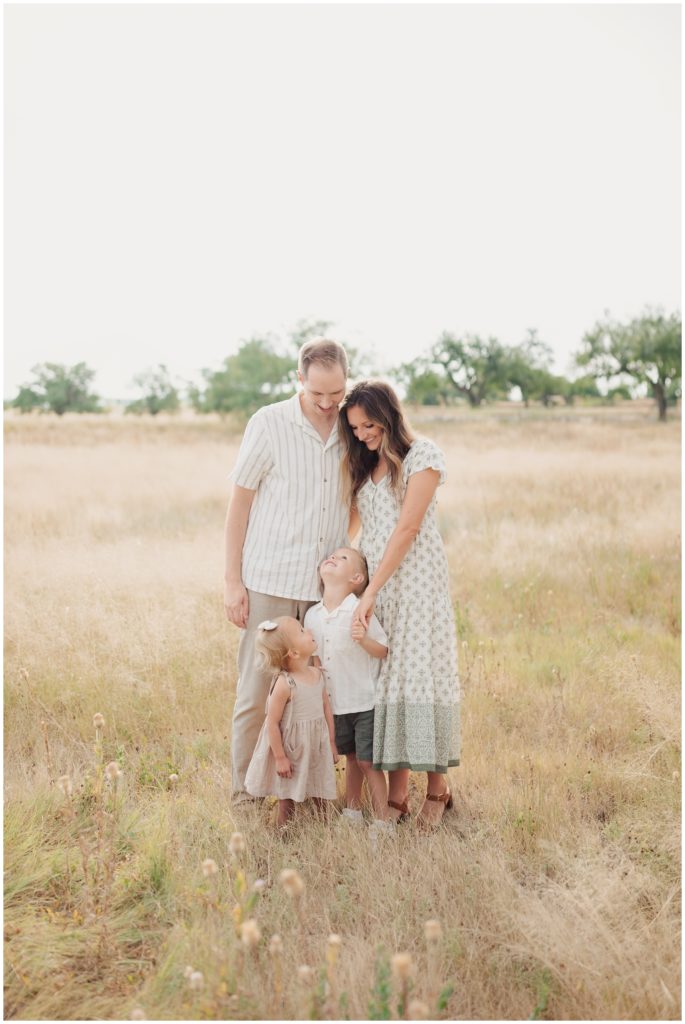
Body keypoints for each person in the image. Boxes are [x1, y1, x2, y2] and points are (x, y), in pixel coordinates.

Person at [224, 338, 349, 804]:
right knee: (257, 696)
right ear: (299, 379)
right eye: (318, 393)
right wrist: (232, 581)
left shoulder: (350, 427)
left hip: (323, 595)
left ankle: (305, 795)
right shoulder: (269, 423)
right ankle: (245, 795)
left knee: (316, 699)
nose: (326, 403)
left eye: (336, 393)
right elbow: (240, 503)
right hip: (270, 584)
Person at [338, 380, 460, 827]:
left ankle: (438, 789)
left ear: (389, 416)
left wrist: (369, 592)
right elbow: (354, 528)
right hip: (380, 591)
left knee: (420, 683)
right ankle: (397, 795)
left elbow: (406, 530)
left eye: (369, 424)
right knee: (390, 690)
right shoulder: (365, 467)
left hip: (417, 588)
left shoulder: (421, 455)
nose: (363, 434)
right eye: (355, 428)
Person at [304, 547, 391, 835]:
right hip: (335, 703)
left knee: (368, 761)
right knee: (351, 758)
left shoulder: (358, 609)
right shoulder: (313, 615)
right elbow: (315, 660)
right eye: (331, 556)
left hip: (363, 701)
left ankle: (383, 821)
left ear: (356, 577)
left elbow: (383, 649)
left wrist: (363, 639)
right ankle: (353, 810)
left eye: (342, 558)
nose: (332, 558)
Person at [244, 617, 338, 827]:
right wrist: (279, 757)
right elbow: (272, 723)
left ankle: (323, 832)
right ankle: (283, 833)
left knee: (321, 789)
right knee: (287, 800)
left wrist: (331, 742)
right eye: (303, 631)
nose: (310, 630)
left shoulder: (316, 674)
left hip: (317, 744)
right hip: (293, 749)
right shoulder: (285, 684)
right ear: (294, 653)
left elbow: (326, 709)